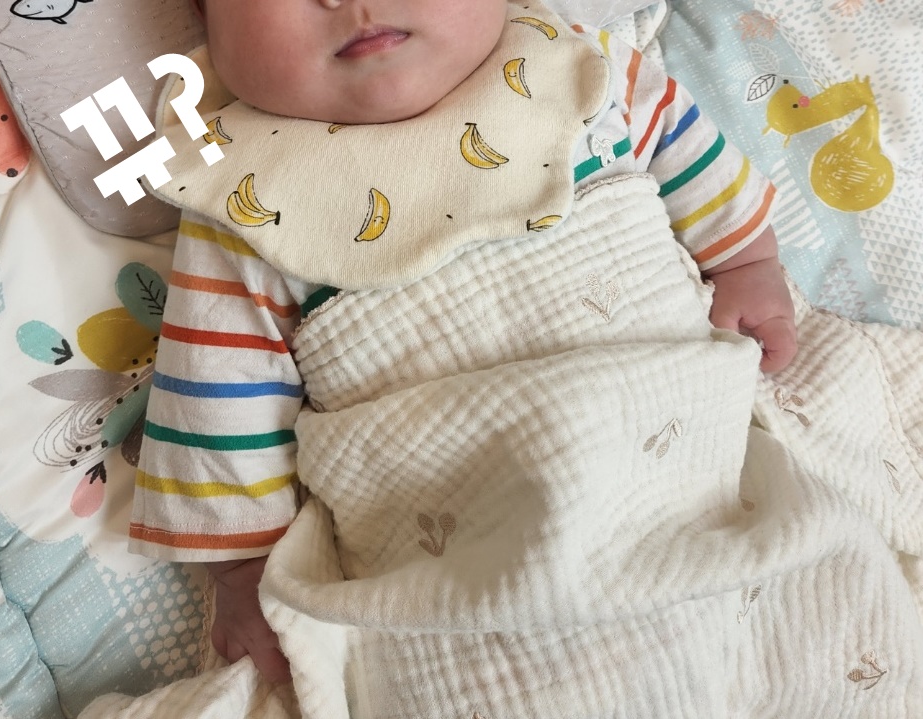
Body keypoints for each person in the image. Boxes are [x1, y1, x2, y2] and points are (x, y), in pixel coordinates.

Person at [128, 0, 798, 686]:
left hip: (680, 467)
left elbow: (679, 135)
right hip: (463, 549)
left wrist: (746, 260)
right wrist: (243, 572)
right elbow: (215, 392)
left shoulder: (572, 67)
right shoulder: (246, 196)